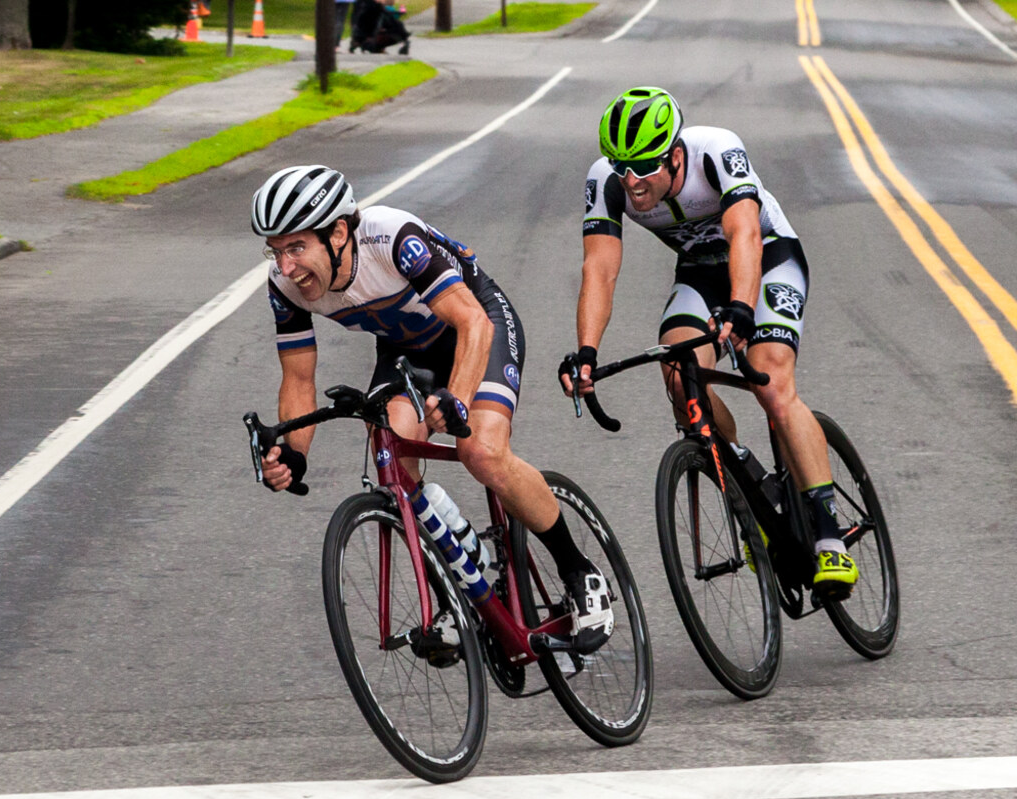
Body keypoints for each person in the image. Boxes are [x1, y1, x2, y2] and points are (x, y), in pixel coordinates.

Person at [250, 164, 613, 651]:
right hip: (407, 352)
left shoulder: (392, 238)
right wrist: (294, 454)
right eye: (276, 251)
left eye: (296, 248)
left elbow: (474, 324)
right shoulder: (285, 284)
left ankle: (579, 572)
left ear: (338, 233)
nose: (286, 265)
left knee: (481, 451)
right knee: (392, 459)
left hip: (477, 324)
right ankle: (466, 568)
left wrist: (458, 398)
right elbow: (298, 378)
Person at [564, 86, 858, 598]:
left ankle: (828, 531)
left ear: (675, 155)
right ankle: (750, 481)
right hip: (700, 275)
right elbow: (600, 268)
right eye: (621, 166)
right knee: (681, 378)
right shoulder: (607, 181)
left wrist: (743, 308)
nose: (632, 181)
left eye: (645, 167)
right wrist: (586, 352)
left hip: (766, 260)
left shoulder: (715, 151)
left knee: (769, 379)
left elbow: (744, 233)